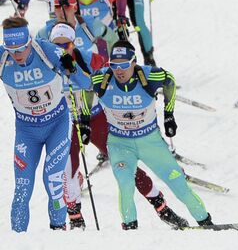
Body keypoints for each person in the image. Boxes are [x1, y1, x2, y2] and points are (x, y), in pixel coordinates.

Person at [46, 24, 187, 229]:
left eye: (65, 44)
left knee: (126, 166)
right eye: (56, 45)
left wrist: (75, 70)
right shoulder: (47, 62)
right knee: (67, 169)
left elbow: (106, 77)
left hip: (96, 117)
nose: (61, 49)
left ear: (73, 43)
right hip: (66, 122)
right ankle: (75, 216)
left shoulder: (88, 57)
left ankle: (160, 205)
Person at [82, 40, 213, 230]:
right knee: (126, 185)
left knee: (178, 184)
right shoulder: (102, 79)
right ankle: (130, 229)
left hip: (149, 141)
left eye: (124, 65)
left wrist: (169, 115)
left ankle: (206, 222)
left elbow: (170, 82)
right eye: (114, 65)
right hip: (120, 144)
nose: (119, 70)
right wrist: (85, 122)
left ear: (134, 62)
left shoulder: (149, 75)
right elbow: (87, 90)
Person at [0, 16, 90, 231]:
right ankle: (17, 239)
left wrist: (71, 66)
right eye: (12, 50)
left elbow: (86, 83)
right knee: (22, 189)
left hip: (57, 125)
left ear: (30, 41)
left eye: (21, 48)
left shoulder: (47, 51)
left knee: (53, 182)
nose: (17, 55)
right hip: (26, 132)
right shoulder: (3, 57)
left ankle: (57, 231)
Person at [37, 0, 118, 55]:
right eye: (57, 6)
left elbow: (113, 39)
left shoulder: (91, 24)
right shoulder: (45, 33)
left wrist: (112, 63)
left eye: (66, 6)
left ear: (75, 8)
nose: (62, 11)